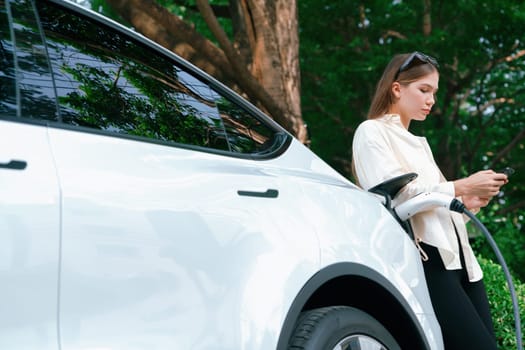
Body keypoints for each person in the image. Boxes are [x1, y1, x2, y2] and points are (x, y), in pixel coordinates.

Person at [351, 51, 508, 350]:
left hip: (461, 260)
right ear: (396, 88)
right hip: (428, 258)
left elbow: (434, 202)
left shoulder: (419, 144)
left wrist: (469, 201)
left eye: (434, 93)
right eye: (424, 90)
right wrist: (460, 186)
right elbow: (396, 197)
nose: (431, 100)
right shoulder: (372, 132)